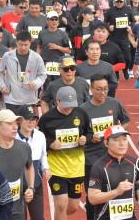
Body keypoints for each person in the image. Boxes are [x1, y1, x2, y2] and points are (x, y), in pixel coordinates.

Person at [38, 86, 93, 220]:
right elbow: (38, 139)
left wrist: (86, 138)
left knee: (73, 207)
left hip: (76, 167)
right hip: (56, 167)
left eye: (72, 105)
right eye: (66, 105)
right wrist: (50, 143)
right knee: (61, 204)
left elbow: (89, 132)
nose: (69, 108)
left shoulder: (81, 114)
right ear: (57, 101)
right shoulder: (47, 118)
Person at [80, 75, 130, 220]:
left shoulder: (115, 103)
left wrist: (117, 131)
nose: (103, 92)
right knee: (93, 196)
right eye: (99, 89)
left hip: (112, 158)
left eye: (105, 89)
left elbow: (126, 121)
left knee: (115, 193)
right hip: (91, 160)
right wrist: (91, 138)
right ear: (91, 89)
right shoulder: (83, 110)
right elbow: (80, 135)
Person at [87, 125, 139, 220]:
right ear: (106, 143)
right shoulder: (99, 167)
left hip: (130, 217)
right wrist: (116, 192)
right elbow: (92, 198)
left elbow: (138, 182)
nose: (122, 143)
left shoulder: (134, 162)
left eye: (124, 139)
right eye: (116, 140)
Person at [0, 109, 34, 220]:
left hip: (18, 211)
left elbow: (29, 166)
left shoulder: (24, 148)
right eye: (10, 124)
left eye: (16, 123)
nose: (15, 127)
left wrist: (31, 187)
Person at [0, 31, 47, 112]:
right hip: (11, 98)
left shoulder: (37, 57)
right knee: (12, 120)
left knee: (29, 120)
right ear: (16, 42)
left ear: (30, 43)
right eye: (20, 44)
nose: (23, 47)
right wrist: (2, 86)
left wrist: (36, 83)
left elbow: (42, 75)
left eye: (26, 45)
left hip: (30, 99)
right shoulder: (7, 56)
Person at [15, 105, 49, 220]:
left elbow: (43, 155)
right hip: (17, 185)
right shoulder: (12, 138)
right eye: (28, 119)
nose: (31, 122)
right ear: (19, 120)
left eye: (34, 119)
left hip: (36, 183)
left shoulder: (40, 136)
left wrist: (45, 168)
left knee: (38, 217)